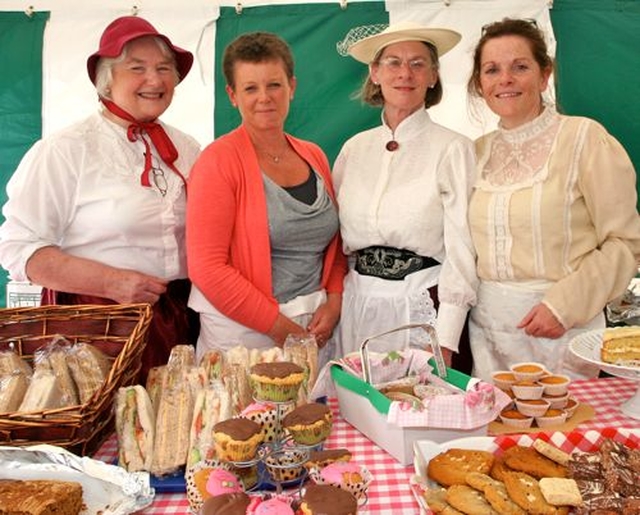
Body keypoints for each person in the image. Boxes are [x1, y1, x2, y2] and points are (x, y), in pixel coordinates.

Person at [0, 16, 201, 382]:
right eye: (137, 68)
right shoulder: (65, 150)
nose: (154, 80)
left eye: (164, 68)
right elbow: (19, 249)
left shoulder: (187, 149)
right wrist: (110, 282)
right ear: (106, 80)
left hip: (181, 319)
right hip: (99, 327)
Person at [466, 18, 640, 381]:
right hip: (489, 334)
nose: (505, 79)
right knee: (498, 435)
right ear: (481, 85)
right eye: (492, 70)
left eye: (520, 67)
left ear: (545, 76)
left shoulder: (584, 139)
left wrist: (564, 306)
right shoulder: (474, 154)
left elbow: (625, 242)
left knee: (565, 434)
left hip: (565, 328)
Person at [186, 32, 346, 365]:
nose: (264, 98)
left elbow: (335, 244)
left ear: (292, 87)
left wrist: (333, 302)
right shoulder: (218, 161)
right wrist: (281, 329)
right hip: (243, 336)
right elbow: (207, 268)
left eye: (274, 85)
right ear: (232, 95)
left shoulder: (313, 154)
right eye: (250, 88)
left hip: (313, 325)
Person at [333, 21, 478, 367]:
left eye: (418, 63)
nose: (405, 74)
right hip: (357, 307)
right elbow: (334, 241)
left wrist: (444, 338)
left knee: (416, 409)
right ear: (375, 73)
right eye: (394, 62)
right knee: (356, 410)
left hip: (420, 307)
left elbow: (463, 250)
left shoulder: (454, 149)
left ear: (433, 76)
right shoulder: (354, 149)